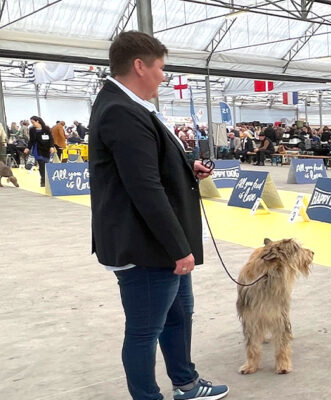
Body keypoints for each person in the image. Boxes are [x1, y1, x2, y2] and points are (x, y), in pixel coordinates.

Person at [88, 31, 228, 400]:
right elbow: (144, 188)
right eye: (161, 68)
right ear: (139, 66)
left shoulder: (130, 105)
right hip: (146, 245)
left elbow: (147, 166)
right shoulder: (121, 110)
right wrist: (178, 247)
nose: (164, 77)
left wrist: (186, 167)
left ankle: (186, 382)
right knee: (144, 330)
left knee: (179, 315)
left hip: (161, 243)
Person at [24, 116, 54, 187]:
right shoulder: (32, 130)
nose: (32, 124)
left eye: (33, 122)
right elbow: (31, 140)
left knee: (46, 164)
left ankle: (44, 179)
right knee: (41, 164)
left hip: (46, 149)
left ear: (37, 121)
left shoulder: (46, 129)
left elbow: (51, 139)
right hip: (37, 149)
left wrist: (51, 146)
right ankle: (43, 180)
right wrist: (28, 148)